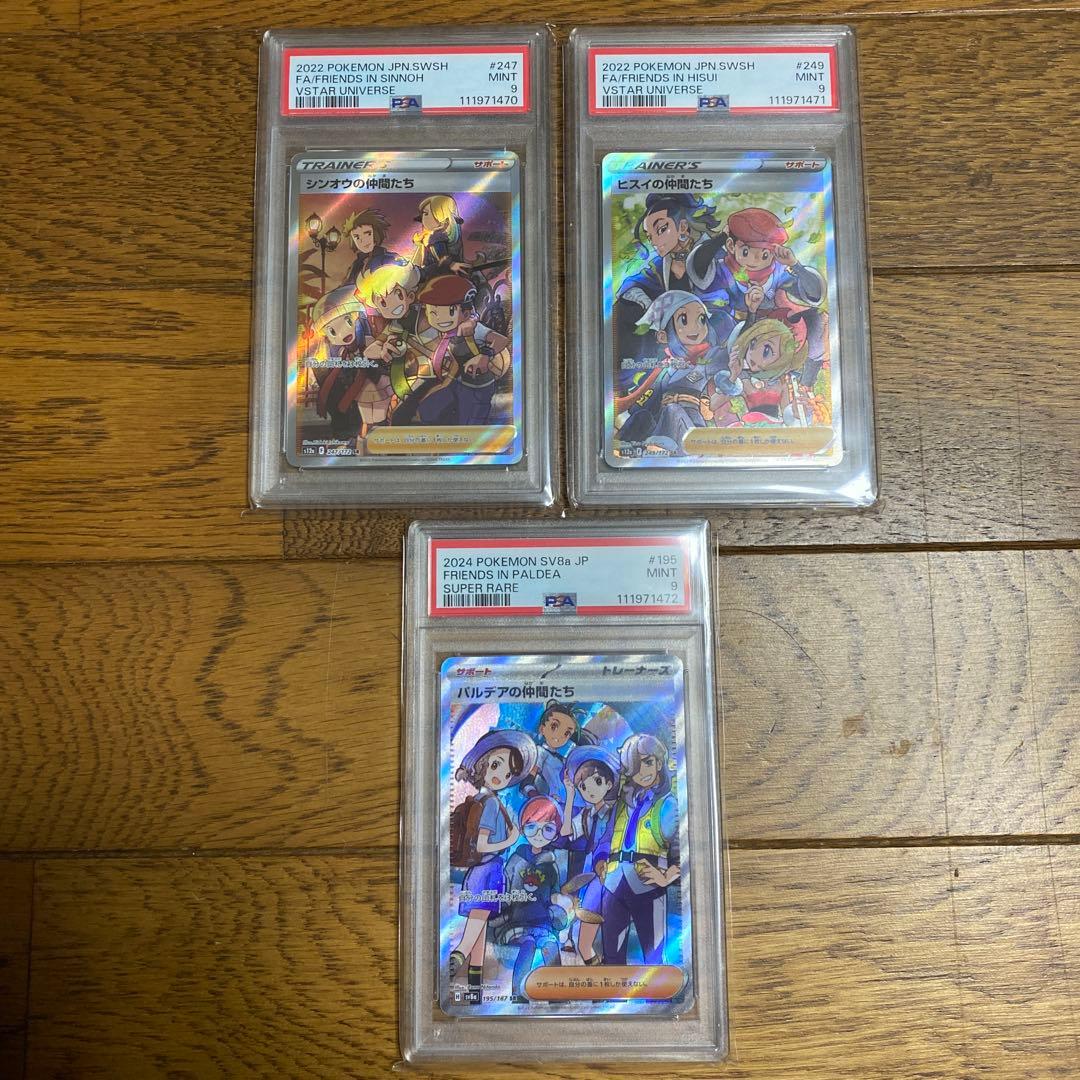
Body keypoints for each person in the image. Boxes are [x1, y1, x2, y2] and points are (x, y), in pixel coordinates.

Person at [449, 729, 537, 1004]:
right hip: (487, 872)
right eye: (496, 765)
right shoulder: (489, 804)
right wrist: (510, 839)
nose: (501, 775)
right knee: (473, 933)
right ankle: (456, 958)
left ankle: (474, 990)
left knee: (480, 934)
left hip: (479, 873)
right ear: (482, 764)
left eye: (508, 773)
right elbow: (482, 844)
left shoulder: (480, 800)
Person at [618, 291, 743, 453]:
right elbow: (648, 401)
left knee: (672, 410)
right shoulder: (663, 369)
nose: (696, 327)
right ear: (662, 336)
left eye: (701, 319)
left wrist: (733, 374)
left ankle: (662, 447)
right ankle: (622, 448)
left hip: (691, 428)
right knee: (642, 417)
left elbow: (732, 353)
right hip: (662, 424)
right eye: (684, 320)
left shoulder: (708, 357)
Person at [600, 733, 681, 967]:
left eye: (648, 762)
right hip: (613, 883)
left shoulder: (667, 805)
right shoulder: (622, 804)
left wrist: (665, 877)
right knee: (612, 958)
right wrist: (600, 861)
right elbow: (606, 839)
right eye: (635, 767)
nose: (643, 772)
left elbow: (681, 853)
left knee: (653, 957)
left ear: (659, 763)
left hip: (648, 885)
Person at [391, 275, 511, 427]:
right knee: (427, 412)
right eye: (433, 313)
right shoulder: (442, 332)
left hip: (476, 388)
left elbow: (501, 340)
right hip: (454, 382)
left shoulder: (472, 329)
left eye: (450, 311)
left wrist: (485, 355)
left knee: (468, 426)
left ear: (466, 312)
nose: (440, 318)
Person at [493, 796, 568, 1002]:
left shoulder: (551, 865)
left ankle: (558, 995)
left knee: (550, 946)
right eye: (532, 826)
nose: (539, 834)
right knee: (528, 945)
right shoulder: (516, 859)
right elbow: (504, 890)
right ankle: (518, 994)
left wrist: (559, 909)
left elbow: (553, 894)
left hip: (543, 923)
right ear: (523, 828)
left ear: (555, 833)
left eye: (548, 829)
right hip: (516, 923)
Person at [558, 745, 619, 966]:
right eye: (583, 786)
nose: (590, 790)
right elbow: (566, 831)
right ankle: (593, 961)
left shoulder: (617, 811)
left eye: (597, 782)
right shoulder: (586, 814)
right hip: (589, 870)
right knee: (584, 926)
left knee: (596, 922)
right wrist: (570, 795)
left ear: (609, 784)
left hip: (610, 868)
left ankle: (595, 959)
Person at [339, 208, 403, 286]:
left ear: (375, 233)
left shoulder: (389, 258)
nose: (363, 240)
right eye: (357, 237)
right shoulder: (356, 265)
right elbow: (346, 288)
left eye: (368, 234)